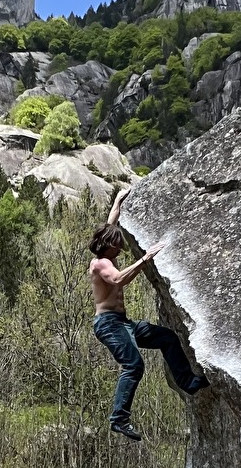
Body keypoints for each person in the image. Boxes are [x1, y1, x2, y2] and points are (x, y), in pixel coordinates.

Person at [89, 185, 207, 442]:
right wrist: (146, 257)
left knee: (166, 337)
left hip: (123, 323)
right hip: (109, 325)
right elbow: (119, 279)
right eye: (117, 246)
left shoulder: (107, 251)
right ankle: (119, 419)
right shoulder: (100, 264)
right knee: (133, 365)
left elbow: (111, 223)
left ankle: (188, 382)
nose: (121, 249)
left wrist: (118, 200)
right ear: (108, 246)